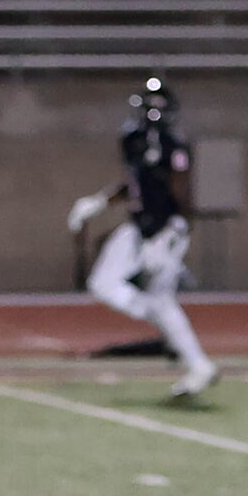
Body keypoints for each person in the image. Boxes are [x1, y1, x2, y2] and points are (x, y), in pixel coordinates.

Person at [66, 79, 218, 400]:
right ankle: (169, 330)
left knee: (161, 300)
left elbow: (180, 193)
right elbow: (134, 184)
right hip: (139, 227)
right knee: (104, 284)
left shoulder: (172, 147)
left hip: (163, 230)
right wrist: (98, 202)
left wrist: (172, 236)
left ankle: (197, 363)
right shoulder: (135, 141)